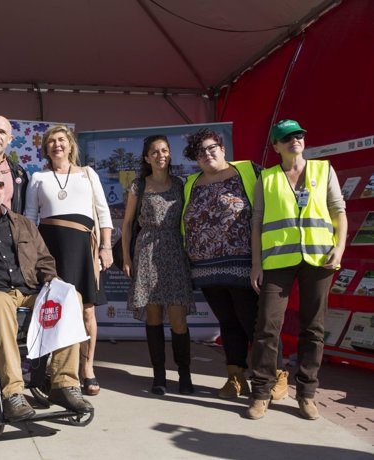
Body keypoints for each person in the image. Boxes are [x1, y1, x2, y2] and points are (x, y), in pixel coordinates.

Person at [0, 165, 93, 421]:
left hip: (28, 292)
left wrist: (53, 282)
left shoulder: (22, 223)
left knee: (72, 297)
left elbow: (44, 261)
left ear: (5, 190)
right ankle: (13, 394)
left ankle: (64, 385)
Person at [247, 119, 347, 420]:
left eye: (299, 135)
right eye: (287, 137)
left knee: (313, 329)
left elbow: (338, 212)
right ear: (276, 146)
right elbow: (257, 223)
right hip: (277, 260)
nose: (296, 140)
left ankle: (306, 394)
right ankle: (261, 393)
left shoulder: (323, 170)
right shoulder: (267, 178)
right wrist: (256, 263)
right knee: (267, 327)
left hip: (319, 260)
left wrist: (339, 248)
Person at [181, 128, 289, 400]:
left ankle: (276, 375)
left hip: (244, 262)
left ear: (222, 148)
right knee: (227, 323)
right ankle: (235, 377)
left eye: (210, 148)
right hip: (205, 268)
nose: (206, 154)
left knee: (254, 322)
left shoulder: (250, 171)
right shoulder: (191, 182)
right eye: (200, 152)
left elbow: (277, 200)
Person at [24, 125, 113, 396]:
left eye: (61, 140)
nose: (57, 145)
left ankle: (87, 369)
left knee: (86, 311)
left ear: (70, 144)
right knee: (51, 309)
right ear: (46, 148)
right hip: (49, 250)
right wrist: (29, 255)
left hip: (84, 248)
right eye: (51, 142)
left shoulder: (88, 174)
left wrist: (106, 247)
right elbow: (29, 218)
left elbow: (103, 212)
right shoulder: (38, 177)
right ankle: (50, 368)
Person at [121, 135, 195, 395]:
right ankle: (159, 376)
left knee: (177, 318)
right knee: (153, 316)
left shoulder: (181, 184)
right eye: (155, 151)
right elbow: (127, 223)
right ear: (146, 157)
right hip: (147, 251)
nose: (160, 155)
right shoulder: (139, 186)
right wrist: (127, 257)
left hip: (174, 251)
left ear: (170, 154)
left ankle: (184, 374)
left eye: (165, 150)